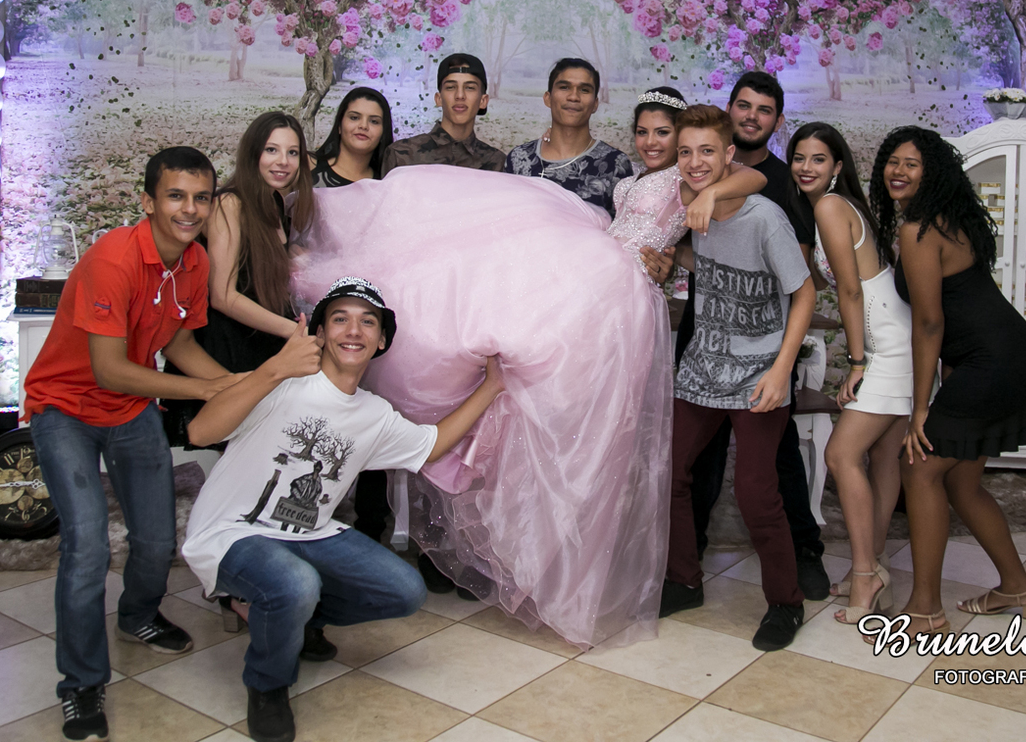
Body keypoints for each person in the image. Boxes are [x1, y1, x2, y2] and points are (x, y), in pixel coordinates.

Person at [293, 164, 674, 650]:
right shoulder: (614, 194)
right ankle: (500, 557)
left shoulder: (695, 179)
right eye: (646, 131)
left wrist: (682, 237)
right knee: (471, 341)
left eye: (663, 133)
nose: (655, 141)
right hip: (589, 267)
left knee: (570, 439)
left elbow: (742, 183)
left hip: (607, 293)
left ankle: (537, 566)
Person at [182, 277, 505, 742]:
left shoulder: (374, 415)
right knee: (296, 583)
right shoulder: (280, 382)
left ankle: (300, 621)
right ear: (319, 334)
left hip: (309, 532)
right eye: (340, 319)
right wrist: (272, 370)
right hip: (233, 532)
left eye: (367, 322)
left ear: (382, 340)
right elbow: (200, 432)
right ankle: (268, 685)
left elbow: (431, 446)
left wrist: (491, 387)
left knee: (404, 591)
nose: (354, 330)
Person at [23, 147, 245, 742]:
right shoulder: (112, 259)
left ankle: (138, 616)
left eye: (201, 198)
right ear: (148, 201)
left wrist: (233, 385)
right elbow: (110, 369)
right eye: (176, 196)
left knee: (157, 539)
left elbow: (177, 342)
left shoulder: (194, 261)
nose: (189, 209)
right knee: (88, 546)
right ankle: (81, 684)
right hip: (65, 409)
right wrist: (204, 389)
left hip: (131, 410)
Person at [870, 127, 1026, 638]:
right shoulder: (947, 219)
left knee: (918, 466)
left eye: (912, 164)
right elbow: (952, 320)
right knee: (961, 483)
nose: (898, 171)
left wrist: (921, 409)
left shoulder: (920, 229)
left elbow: (930, 324)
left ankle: (925, 609)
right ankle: (1018, 588)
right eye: (892, 161)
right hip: (1007, 356)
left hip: (993, 361)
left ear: (933, 174)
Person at [661, 105, 816, 654]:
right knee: (670, 473)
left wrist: (781, 371)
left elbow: (804, 294)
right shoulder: (691, 203)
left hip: (759, 374)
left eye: (707, 151)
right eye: (686, 151)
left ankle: (786, 602)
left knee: (755, 492)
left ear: (729, 154)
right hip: (703, 368)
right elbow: (713, 266)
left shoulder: (764, 219)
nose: (695, 161)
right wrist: (672, 258)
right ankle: (684, 581)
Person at [788, 122, 911, 625]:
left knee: (840, 455)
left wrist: (858, 362)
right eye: (799, 157)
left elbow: (851, 290)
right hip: (896, 335)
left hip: (888, 347)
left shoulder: (830, 207)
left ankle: (865, 577)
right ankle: (875, 566)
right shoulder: (837, 206)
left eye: (818, 159)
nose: (806, 167)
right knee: (882, 460)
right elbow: (834, 282)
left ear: (837, 166)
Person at [160, 112, 312, 446]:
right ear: (253, 152)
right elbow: (223, 295)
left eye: (292, 152)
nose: (283, 161)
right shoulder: (229, 203)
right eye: (271, 150)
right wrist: (294, 331)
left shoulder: (278, 206)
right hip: (229, 347)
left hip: (264, 344)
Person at [309, 88, 396, 549]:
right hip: (319, 312)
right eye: (355, 116)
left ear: (384, 130)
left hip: (370, 316)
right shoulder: (312, 177)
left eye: (374, 120)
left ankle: (370, 530)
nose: (363, 126)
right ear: (340, 122)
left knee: (371, 414)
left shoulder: (390, 185)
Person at [608, 87, 767, 281]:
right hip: (606, 263)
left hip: (629, 278)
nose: (650, 142)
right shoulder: (634, 173)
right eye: (642, 132)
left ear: (680, 136)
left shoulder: (686, 176)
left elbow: (756, 177)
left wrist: (710, 194)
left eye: (662, 132)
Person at [506, 57, 634, 218]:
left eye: (584, 90)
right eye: (564, 87)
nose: (574, 97)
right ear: (548, 98)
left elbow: (624, 228)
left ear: (595, 104)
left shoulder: (614, 164)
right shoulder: (519, 158)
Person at [380, 53, 505, 174]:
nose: (460, 95)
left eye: (469, 88)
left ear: (483, 101)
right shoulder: (402, 155)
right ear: (438, 99)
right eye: (450, 87)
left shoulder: (496, 162)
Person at [309, 87, 395, 186]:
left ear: (383, 133)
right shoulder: (307, 165)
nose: (363, 126)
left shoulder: (386, 185)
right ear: (339, 125)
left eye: (374, 121)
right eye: (354, 118)